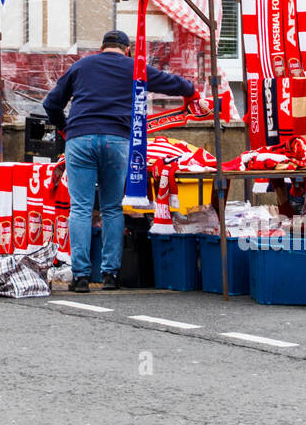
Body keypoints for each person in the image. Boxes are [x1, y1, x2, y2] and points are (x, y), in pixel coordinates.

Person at [43, 29, 194, 293]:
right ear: (127, 49)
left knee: (80, 208)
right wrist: (191, 89)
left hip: (80, 139)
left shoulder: (81, 65)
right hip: (117, 141)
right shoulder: (134, 67)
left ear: (102, 47)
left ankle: (80, 277)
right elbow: (173, 84)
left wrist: (64, 126)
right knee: (112, 207)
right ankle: (110, 275)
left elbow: (51, 103)